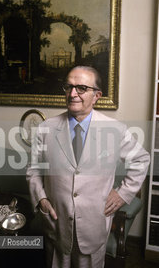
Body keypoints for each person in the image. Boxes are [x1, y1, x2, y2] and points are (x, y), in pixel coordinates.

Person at [26, 66, 150, 268]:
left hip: (94, 226)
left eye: (81, 88)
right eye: (69, 87)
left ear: (97, 96)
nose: (73, 93)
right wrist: (40, 198)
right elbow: (33, 170)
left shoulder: (115, 130)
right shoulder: (45, 129)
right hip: (57, 224)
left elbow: (141, 160)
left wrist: (123, 194)